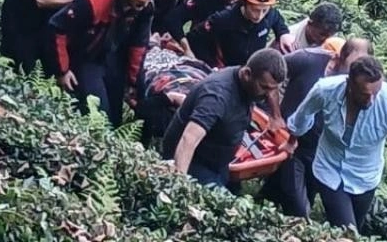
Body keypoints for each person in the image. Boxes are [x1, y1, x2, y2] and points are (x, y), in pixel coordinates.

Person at [287, 55, 387, 238]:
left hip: (365, 178)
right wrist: (292, 138)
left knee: (352, 229)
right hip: (329, 171)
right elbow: (303, 114)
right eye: (366, 94)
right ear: (350, 84)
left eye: (376, 92)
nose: (372, 100)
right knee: (348, 235)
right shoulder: (325, 90)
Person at [260, 37, 372, 218]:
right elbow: (269, 71)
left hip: (318, 151)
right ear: (338, 58)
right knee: (299, 209)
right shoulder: (308, 60)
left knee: (300, 198)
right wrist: (274, 113)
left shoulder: (361, 88)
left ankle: (262, 204)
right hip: (290, 140)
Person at [47, 0, 160, 127]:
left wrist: (133, 83)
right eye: (138, 1)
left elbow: (138, 46)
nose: (141, 6)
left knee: (118, 115)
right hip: (85, 55)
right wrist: (62, 70)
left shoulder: (147, 8)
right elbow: (57, 28)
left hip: (112, 54)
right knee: (100, 112)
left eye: (145, 2)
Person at [161, 48, 287, 189]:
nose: (269, 94)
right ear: (247, 74)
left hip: (219, 162)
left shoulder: (249, 83)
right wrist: (179, 186)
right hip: (194, 162)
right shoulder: (217, 96)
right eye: (264, 87)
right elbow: (188, 139)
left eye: (272, 89)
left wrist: (276, 116)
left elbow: (271, 89)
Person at [188, 0, 294, 67]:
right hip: (227, 71)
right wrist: (211, 63)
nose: (259, 16)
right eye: (255, 10)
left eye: (264, 10)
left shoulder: (269, 15)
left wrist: (283, 33)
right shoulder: (224, 19)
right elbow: (194, 38)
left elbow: (277, 18)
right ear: (244, 2)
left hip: (251, 69)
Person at [135, 44, 213, 146]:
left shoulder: (163, 120)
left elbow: (141, 109)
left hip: (164, 73)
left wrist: (170, 98)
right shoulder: (211, 108)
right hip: (192, 71)